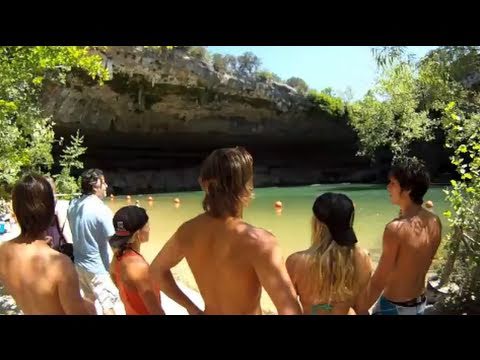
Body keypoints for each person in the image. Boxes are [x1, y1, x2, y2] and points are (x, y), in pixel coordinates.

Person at [150, 147, 301, 315]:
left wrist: (192, 308)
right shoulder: (259, 242)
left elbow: (156, 270)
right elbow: (290, 310)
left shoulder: (187, 231)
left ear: (203, 183)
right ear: (247, 186)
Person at [356, 158, 442, 315]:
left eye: (393, 183)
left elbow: (379, 280)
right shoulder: (434, 221)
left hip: (394, 308)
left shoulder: (395, 229)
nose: (388, 187)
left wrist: (360, 308)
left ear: (408, 189)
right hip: (419, 304)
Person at [0, 174, 92, 314]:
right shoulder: (60, 264)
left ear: (16, 210)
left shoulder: (3, 251)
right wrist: (90, 305)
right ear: (49, 210)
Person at [286, 193, 373, 315]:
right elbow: (361, 308)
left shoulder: (296, 262)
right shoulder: (362, 258)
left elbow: (288, 310)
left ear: (317, 223)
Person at [68, 168, 125, 315]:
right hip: (97, 268)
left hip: (79, 264)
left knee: (88, 299)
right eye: (104, 183)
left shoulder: (73, 206)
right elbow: (115, 242)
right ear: (95, 186)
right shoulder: (101, 209)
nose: (106, 186)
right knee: (108, 305)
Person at [109, 206, 164, 315]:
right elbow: (155, 311)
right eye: (147, 225)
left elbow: (116, 280)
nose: (149, 229)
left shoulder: (117, 257)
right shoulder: (138, 266)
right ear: (137, 234)